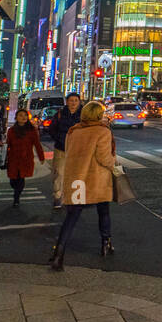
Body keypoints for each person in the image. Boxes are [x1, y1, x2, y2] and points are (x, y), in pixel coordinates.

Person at [49, 100, 117, 270]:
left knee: (72, 216)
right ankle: (105, 242)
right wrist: (114, 163)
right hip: (96, 179)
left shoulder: (73, 131)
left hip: (76, 178)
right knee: (103, 210)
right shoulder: (102, 131)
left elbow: (68, 150)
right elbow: (104, 157)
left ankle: (59, 253)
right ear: (99, 115)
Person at [48, 93, 81, 210]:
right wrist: (59, 139)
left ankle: (75, 197)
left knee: (76, 174)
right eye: (71, 100)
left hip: (77, 150)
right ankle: (57, 196)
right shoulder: (60, 114)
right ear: (67, 102)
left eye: (76, 101)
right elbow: (51, 129)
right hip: (61, 148)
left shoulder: (83, 115)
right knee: (59, 173)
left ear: (79, 102)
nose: (73, 103)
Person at [5, 109, 45, 208]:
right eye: (20, 115)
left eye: (25, 116)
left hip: (25, 158)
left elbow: (37, 144)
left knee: (21, 178)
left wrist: (41, 157)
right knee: (13, 180)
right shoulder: (11, 130)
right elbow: (8, 144)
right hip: (13, 158)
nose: (23, 117)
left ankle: (16, 197)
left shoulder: (31, 130)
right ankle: (16, 192)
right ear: (16, 117)